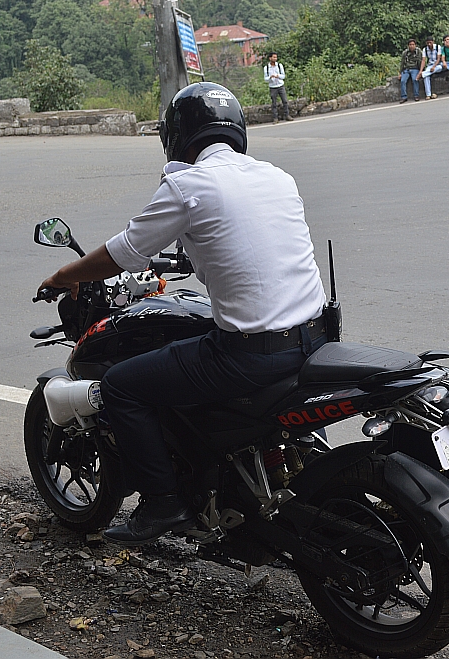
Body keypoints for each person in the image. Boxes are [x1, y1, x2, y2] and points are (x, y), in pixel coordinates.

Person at [37, 82, 328, 545]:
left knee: (121, 387)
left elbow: (122, 253)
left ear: (176, 136)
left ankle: (164, 504)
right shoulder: (277, 176)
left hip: (249, 356)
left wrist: (65, 273)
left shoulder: (186, 184)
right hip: (315, 339)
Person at [264, 52, 292, 123]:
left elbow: (283, 76)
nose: (275, 59)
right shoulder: (266, 68)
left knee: (285, 101)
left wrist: (278, 76)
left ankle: (287, 115)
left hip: (280, 85)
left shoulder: (279, 66)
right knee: (274, 103)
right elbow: (265, 79)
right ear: (270, 58)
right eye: (273, 57)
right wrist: (270, 78)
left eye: (276, 57)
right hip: (272, 87)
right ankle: (275, 118)